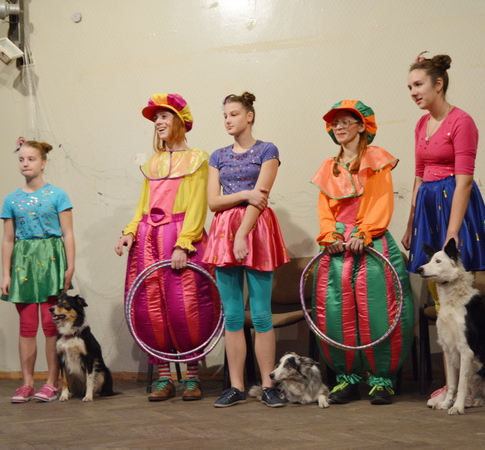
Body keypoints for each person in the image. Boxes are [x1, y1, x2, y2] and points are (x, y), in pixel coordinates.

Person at [401, 53, 485, 406]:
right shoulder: (421, 124)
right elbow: (418, 176)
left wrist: (452, 232)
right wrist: (411, 223)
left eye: (418, 85)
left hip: (454, 207)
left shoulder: (462, 121)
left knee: (460, 306)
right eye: (410, 87)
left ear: (438, 84)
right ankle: (452, 385)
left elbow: (464, 182)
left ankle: (471, 387)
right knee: (440, 304)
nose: (413, 92)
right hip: (428, 208)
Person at [115, 93, 218, 402]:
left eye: (164, 116)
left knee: (185, 308)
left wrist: (185, 243)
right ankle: (164, 378)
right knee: (152, 308)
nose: (158, 122)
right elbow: (143, 205)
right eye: (156, 118)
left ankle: (191, 377)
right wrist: (130, 231)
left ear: (180, 121)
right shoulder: (153, 163)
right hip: (148, 239)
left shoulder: (198, 159)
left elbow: (198, 205)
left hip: (179, 237)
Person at [310, 100, 415, 405]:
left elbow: (380, 200)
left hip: (372, 243)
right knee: (334, 313)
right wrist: (330, 235)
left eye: (346, 121)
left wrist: (364, 232)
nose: (339, 127)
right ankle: (347, 378)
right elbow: (325, 209)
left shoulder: (376, 159)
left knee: (379, 311)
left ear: (362, 126)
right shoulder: (329, 167)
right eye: (335, 123)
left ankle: (382, 380)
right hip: (336, 247)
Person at [203, 92, 290, 408]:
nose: (228, 120)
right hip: (223, 232)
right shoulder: (217, 156)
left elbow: (261, 197)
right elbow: (213, 202)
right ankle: (236, 386)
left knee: (262, 314)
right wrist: (245, 194)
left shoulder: (268, 150)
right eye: (225, 115)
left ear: (249, 116)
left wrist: (242, 233)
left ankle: (268, 385)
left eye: (234, 114)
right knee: (233, 315)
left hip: (255, 231)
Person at [1, 139, 75, 403]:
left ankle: (52, 382)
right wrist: (6, 274)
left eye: (31, 159)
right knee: (27, 325)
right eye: (21, 159)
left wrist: (70, 266)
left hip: (51, 261)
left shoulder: (58, 195)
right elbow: (8, 239)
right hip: (23, 263)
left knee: (50, 323)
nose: (25, 164)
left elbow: (67, 233)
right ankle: (27, 383)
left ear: (43, 163)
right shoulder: (11, 199)